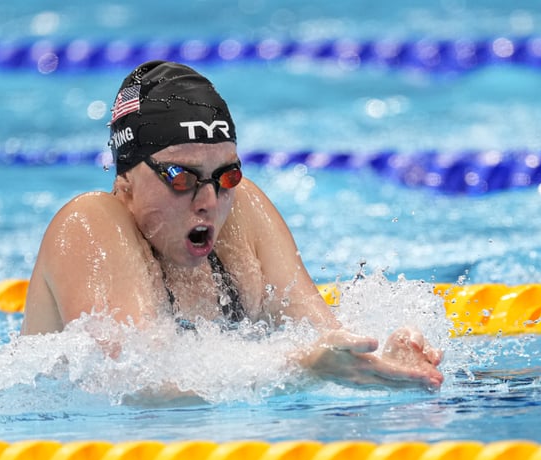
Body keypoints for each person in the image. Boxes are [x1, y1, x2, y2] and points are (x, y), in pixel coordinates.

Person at [22, 60, 443, 391]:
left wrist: (385, 364)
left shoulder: (242, 211)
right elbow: (136, 383)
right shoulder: (89, 223)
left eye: (226, 177)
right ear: (126, 182)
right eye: (181, 178)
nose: (209, 201)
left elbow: (325, 340)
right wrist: (299, 366)